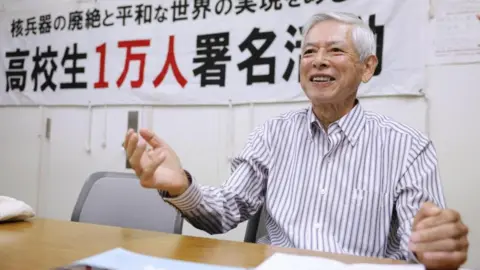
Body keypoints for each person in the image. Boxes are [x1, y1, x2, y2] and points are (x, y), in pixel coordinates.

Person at [123, 12, 469, 270]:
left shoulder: (409, 147)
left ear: (367, 68)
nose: (318, 60)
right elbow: (224, 213)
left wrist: (434, 249)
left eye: (335, 50)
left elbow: (421, 246)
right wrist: (180, 185)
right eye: (308, 52)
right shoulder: (272, 135)